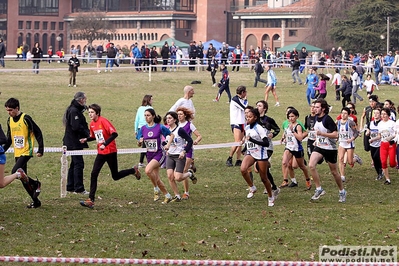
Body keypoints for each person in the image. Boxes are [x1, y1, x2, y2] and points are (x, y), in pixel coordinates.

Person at [79, 104, 141, 208]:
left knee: (115, 176)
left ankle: (133, 171)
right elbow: (95, 137)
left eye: (92, 112)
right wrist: (86, 139)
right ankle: (91, 200)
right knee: (94, 173)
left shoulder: (104, 121)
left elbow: (114, 134)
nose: (90, 114)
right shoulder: (92, 124)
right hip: (101, 152)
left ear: (97, 113)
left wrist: (105, 144)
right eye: (89, 112)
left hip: (110, 151)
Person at [4, 98, 44, 208]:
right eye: (7, 110)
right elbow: (9, 139)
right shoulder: (9, 120)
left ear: (17, 108)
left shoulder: (26, 118)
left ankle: (36, 184)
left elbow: (38, 132)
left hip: (27, 151)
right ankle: (36, 202)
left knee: (15, 171)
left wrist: (41, 149)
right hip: (17, 152)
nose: (9, 112)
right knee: (23, 179)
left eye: (11, 110)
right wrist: (2, 151)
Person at [308, 99, 346, 203]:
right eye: (314, 106)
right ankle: (319, 189)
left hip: (330, 148)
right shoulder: (316, 118)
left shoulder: (327, 119)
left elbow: (335, 134)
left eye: (317, 107)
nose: (314, 109)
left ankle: (342, 191)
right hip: (320, 146)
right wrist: (317, 140)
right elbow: (317, 132)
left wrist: (322, 134)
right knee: (311, 165)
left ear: (323, 108)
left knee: (334, 172)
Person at [137, 108, 174, 204]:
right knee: (156, 178)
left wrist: (168, 145)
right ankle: (167, 195)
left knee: (147, 170)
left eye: (148, 115)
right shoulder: (143, 128)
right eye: (145, 115)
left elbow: (172, 135)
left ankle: (155, 189)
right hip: (149, 155)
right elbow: (139, 140)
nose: (146, 117)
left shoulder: (159, 127)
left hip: (159, 154)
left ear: (153, 116)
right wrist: (140, 142)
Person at [240, 108, 274, 207]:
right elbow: (248, 140)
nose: (247, 118)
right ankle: (252, 187)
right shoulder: (246, 127)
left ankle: (270, 196)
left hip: (261, 154)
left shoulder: (259, 128)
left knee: (264, 178)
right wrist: (245, 148)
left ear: (255, 118)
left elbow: (266, 143)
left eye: (250, 117)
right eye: (247, 117)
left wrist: (253, 141)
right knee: (243, 169)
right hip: (251, 153)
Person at [164, 111, 197, 202]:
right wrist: (165, 146)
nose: (168, 120)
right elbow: (166, 141)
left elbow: (190, 141)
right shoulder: (166, 130)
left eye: (170, 118)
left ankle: (189, 173)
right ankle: (177, 196)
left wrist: (184, 151)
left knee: (178, 178)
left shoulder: (180, 130)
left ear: (175, 119)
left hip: (179, 156)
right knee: (170, 176)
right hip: (170, 155)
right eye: (167, 118)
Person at [63, 92, 90, 195]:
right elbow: (76, 127)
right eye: (84, 99)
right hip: (74, 142)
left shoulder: (74, 109)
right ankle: (79, 188)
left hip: (72, 141)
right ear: (81, 99)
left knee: (74, 163)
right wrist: (87, 133)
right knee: (79, 164)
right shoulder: (74, 111)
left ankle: (70, 186)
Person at [281, 108, 311, 189]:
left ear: (296, 117)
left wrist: (293, 132)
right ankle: (286, 180)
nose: (291, 118)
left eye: (292, 116)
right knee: (284, 162)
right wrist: (283, 138)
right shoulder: (287, 125)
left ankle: (308, 179)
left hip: (297, 148)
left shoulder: (298, 126)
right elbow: (286, 132)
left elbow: (300, 138)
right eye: (289, 116)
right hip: (289, 147)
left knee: (301, 166)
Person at [176, 107, 202, 200]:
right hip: (178, 151)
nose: (179, 116)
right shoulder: (176, 126)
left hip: (188, 151)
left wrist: (196, 141)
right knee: (180, 172)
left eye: (181, 114)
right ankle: (190, 173)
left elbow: (199, 136)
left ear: (185, 115)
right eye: (178, 114)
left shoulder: (189, 125)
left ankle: (186, 193)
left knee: (183, 171)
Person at [256, 100, 280, 197]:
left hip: (267, 147)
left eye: (260, 106)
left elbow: (277, 129)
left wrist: (272, 134)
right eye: (257, 105)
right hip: (257, 147)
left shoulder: (269, 120)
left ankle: (271, 187)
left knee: (261, 166)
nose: (257, 107)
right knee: (260, 168)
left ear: (264, 108)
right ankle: (273, 187)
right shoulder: (254, 119)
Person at [372, 108, 396, 185]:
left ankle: (395, 163)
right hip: (383, 144)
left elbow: (396, 133)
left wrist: (391, 137)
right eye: (382, 114)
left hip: (391, 144)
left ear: (388, 115)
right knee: (383, 162)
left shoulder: (392, 123)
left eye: (385, 114)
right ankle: (387, 179)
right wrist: (373, 139)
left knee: (392, 164)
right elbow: (379, 136)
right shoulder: (380, 124)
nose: (383, 115)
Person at [226, 86, 248, 167]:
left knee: (240, 142)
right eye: (245, 92)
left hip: (242, 123)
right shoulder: (235, 99)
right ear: (242, 92)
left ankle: (238, 160)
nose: (246, 94)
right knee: (237, 141)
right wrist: (245, 99)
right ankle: (229, 158)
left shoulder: (242, 100)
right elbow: (245, 107)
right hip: (236, 123)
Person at [337, 107, 360, 183]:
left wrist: (351, 139)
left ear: (348, 114)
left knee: (350, 162)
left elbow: (356, 133)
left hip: (349, 144)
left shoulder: (350, 122)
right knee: (340, 159)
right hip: (342, 143)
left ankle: (356, 158)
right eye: (342, 113)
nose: (343, 115)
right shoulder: (338, 122)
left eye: (345, 113)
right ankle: (342, 176)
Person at [135, 95, 154, 168]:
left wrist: (136, 129)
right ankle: (144, 161)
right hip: (147, 128)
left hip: (140, 128)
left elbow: (137, 120)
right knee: (146, 145)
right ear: (149, 100)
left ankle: (142, 161)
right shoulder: (150, 108)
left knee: (144, 144)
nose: (153, 101)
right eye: (151, 99)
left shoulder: (140, 108)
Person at [366, 108, 383, 180]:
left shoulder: (382, 123)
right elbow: (367, 128)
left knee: (377, 157)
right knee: (374, 159)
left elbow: (381, 135)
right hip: (372, 144)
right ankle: (379, 173)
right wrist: (367, 131)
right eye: (374, 113)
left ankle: (381, 169)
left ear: (380, 115)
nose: (375, 115)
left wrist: (372, 139)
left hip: (380, 144)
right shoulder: (371, 123)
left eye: (377, 113)